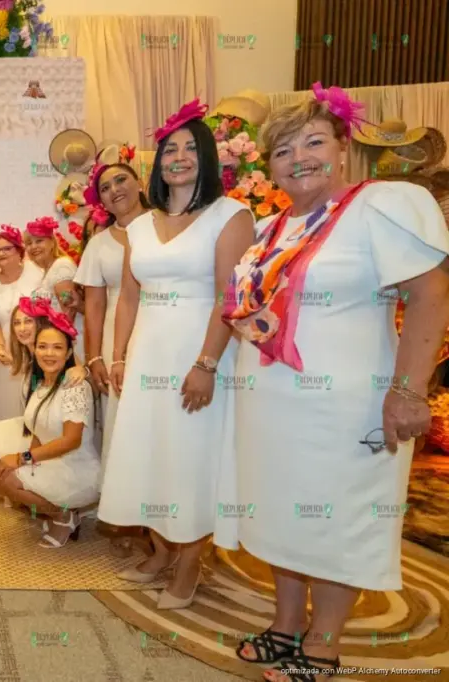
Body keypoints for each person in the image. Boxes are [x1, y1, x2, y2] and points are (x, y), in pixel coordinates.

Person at [224, 85, 449, 682]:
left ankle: (322, 647)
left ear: (344, 148)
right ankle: (285, 625)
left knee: (335, 521)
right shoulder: (270, 228)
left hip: (346, 409)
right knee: (283, 516)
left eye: (314, 142)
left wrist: (409, 390)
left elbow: (430, 292)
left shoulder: (379, 206)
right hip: (271, 407)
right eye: (283, 150)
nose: (298, 158)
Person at [97, 99, 255, 609]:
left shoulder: (231, 215)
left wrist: (206, 364)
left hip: (201, 356)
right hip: (148, 357)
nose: (179, 157)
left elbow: (231, 298)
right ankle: (162, 551)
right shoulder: (140, 227)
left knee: (190, 457)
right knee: (151, 453)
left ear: (206, 156)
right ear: (158, 163)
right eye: (169, 150)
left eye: (189, 148)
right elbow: (128, 296)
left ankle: (190, 563)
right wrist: (119, 356)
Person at [74, 160, 151, 557]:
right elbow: (93, 306)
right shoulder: (99, 244)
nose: (115, 190)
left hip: (162, 332)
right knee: (121, 429)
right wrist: (94, 358)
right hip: (113, 344)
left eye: (121, 180)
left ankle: (168, 523)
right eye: (105, 187)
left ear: (140, 182)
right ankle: (127, 518)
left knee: (159, 428)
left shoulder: (168, 229)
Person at [0, 309, 99, 548]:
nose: (49, 353)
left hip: (76, 469)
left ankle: (63, 516)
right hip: (50, 462)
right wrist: (25, 463)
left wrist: (21, 459)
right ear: (34, 350)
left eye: (57, 348)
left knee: (9, 478)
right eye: (43, 347)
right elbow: (37, 431)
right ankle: (57, 512)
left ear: (69, 353)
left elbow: (71, 440)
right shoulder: (40, 385)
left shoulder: (74, 387)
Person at [0, 298, 87, 499]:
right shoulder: (31, 358)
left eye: (28, 321)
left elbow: (77, 374)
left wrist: (84, 370)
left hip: (55, 437)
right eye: (17, 323)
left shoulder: (58, 361)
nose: (22, 328)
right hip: (37, 428)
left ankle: (44, 501)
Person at [0, 225, 44, 422]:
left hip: (36, 348)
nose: (1, 253)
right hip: (7, 353)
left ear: (19, 251)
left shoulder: (36, 273)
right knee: (7, 406)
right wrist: (0, 347)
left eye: (7, 248)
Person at [24, 216, 85, 360]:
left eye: (39, 241)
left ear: (52, 242)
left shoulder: (61, 267)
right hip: (56, 345)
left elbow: (69, 309)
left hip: (68, 345)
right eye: (29, 243)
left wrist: (59, 344)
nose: (33, 247)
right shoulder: (47, 272)